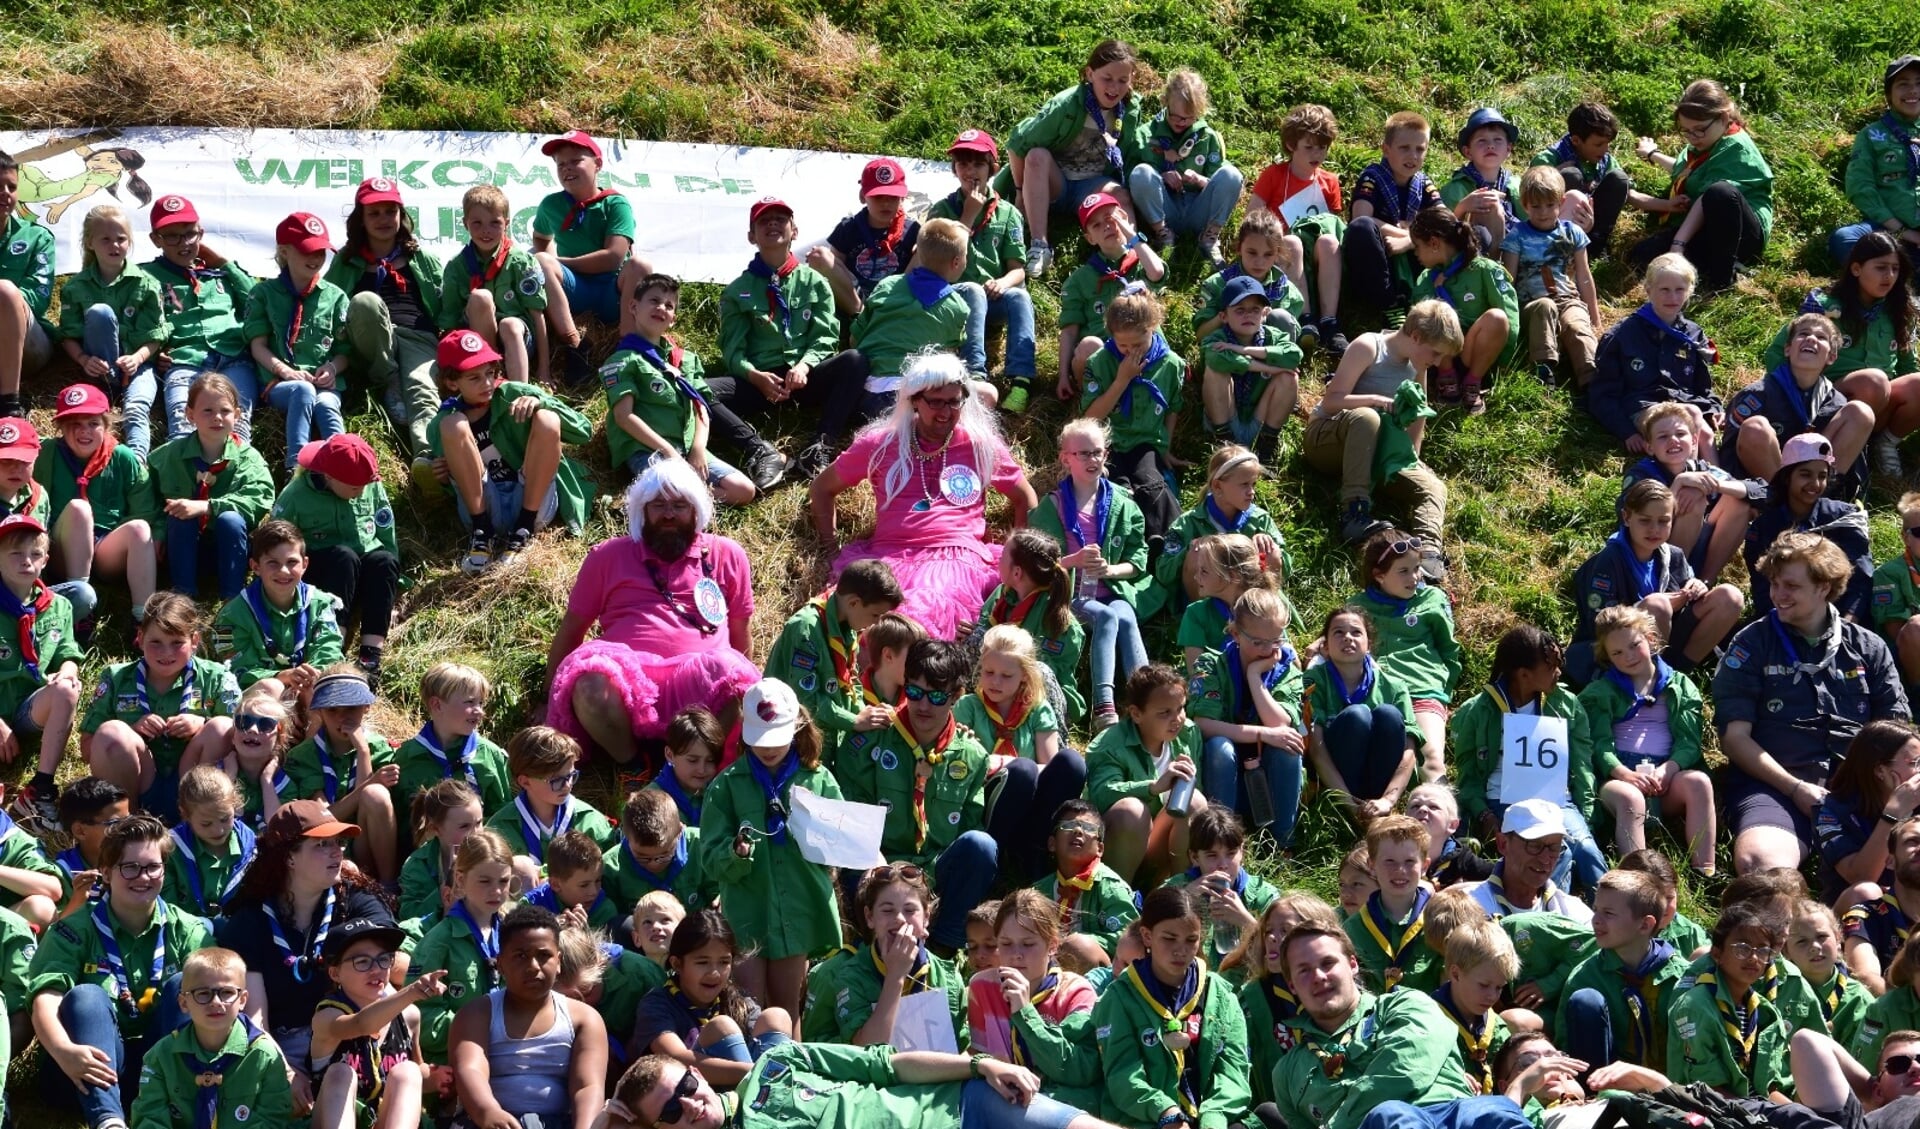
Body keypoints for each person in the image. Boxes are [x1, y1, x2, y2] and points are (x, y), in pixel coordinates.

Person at [1716, 531, 1909, 873]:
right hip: (1778, 786)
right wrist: (1795, 788)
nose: (1778, 595)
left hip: (1862, 788)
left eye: (1791, 586)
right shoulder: (1752, 644)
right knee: (1761, 863)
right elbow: (1734, 739)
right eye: (1775, 584)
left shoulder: (1868, 648)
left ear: (1823, 587)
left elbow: (1899, 734)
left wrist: (1888, 796)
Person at [808, 349, 1035, 640]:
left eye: (954, 402)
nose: (945, 412)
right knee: (858, 617)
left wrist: (1017, 555)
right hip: (889, 554)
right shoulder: (880, 443)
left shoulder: (980, 445)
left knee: (928, 608)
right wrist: (830, 549)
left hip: (956, 557)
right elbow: (822, 488)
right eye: (935, 402)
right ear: (914, 400)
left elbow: (1024, 498)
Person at [546, 458, 760, 762]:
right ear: (642, 511)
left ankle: (697, 769)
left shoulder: (728, 554)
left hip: (701, 690)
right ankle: (633, 766)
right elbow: (572, 627)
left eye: (679, 505)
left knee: (734, 677)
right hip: (627, 689)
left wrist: (741, 678)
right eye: (658, 505)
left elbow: (740, 629)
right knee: (589, 682)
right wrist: (548, 696)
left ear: (696, 510)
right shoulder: (607, 556)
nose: (669, 515)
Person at [29, 814, 212, 1127]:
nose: (143, 877)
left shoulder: (189, 929)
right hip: (85, 1068)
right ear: (106, 872)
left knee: (191, 985)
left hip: (162, 1065)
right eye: (130, 867)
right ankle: (108, 1120)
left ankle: (176, 1110)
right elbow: (45, 999)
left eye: (153, 866)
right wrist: (63, 1051)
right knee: (87, 996)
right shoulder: (74, 929)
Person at [218, 799, 396, 1113]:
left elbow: (390, 967)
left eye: (338, 843)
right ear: (289, 858)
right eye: (322, 845)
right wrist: (283, 1069)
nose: (337, 852)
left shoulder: (355, 901)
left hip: (353, 1034)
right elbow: (255, 1019)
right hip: (285, 1045)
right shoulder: (251, 921)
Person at [1270, 920, 1529, 1129]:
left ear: (1352, 964)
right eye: (1304, 970)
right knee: (1391, 1117)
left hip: (1454, 1115)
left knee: (1494, 1113)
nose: (1318, 977)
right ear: (1291, 985)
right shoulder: (1287, 1073)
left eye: (1328, 963)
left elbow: (1402, 1072)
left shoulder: (1407, 1004)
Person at [698, 679, 838, 1018]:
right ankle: (750, 1068)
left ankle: (792, 1067)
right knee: (749, 1007)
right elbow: (709, 857)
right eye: (760, 740)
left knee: (789, 1007)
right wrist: (735, 854)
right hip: (749, 910)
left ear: (796, 726)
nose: (768, 749)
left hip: (798, 908)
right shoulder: (727, 785)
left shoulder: (818, 780)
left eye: (776, 738)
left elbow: (840, 840)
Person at [602, 1043, 1130, 1129]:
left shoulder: (778, 1063)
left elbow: (887, 1065)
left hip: (958, 1106)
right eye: (670, 1112)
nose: (690, 1104)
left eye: (686, 1086)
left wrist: (979, 1065)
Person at [428, 327, 596, 570]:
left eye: (490, 373)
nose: (487, 383)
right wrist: (441, 475)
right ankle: (481, 534)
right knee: (453, 424)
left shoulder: (513, 393)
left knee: (548, 419)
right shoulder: (442, 422)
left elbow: (584, 431)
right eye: (474, 378)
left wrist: (541, 401)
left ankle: (523, 531)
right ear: (452, 383)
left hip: (530, 498)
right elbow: (450, 480)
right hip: (485, 504)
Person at [1303, 300, 1461, 557]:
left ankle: (1429, 553)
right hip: (1326, 441)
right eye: (1436, 353)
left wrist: (1412, 459)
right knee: (1368, 417)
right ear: (1417, 337)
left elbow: (1417, 415)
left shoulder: (1418, 366)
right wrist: (1376, 401)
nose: (1438, 361)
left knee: (1434, 487)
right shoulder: (1369, 346)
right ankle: (1355, 514)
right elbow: (1332, 401)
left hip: (1376, 454)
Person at [1089, 884, 1252, 1129]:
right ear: (1147, 936)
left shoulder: (1220, 994)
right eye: (1169, 938)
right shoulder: (1119, 997)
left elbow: (1233, 1072)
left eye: (1191, 940)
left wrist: (1213, 1120)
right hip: (1146, 1118)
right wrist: (1166, 1112)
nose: (1181, 950)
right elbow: (1123, 1076)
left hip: (1214, 1117)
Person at [79, 591, 241, 822]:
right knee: (111, 731)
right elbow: (88, 750)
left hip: (194, 784)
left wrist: (202, 725)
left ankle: (198, 825)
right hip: (139, 784)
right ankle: (128, 830)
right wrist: (132, 730)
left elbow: (244, 746)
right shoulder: (115, 678)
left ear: (194, 641)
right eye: (156, 642)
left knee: (223, 727)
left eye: (177, 643)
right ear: (141, 637)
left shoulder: (217, 678)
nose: (166, 653)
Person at [1579, 606, 1718, 876]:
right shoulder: (1601, 692)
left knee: (1699, 782)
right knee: (1630, 798)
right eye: (1617, 653)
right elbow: (1598, 744)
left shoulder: (1679, 685)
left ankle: (1705, 870)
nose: (1628, 657)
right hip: (1618, 778)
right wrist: (1623, 773)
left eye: (1635, 645)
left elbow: (1689, 742)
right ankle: (1637, 877)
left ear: (1651, 639)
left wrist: (1670, 768)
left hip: (1664, 775)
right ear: (1607, 657)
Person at [713, 197, 841, 483]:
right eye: (763, 220)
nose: (773, 223)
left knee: (856, 362)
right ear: (751, 236)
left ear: (794, 231)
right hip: (760, 383)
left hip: (805, 378)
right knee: (699, 392)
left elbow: (826, 335)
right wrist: (755, 376)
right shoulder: (737, 291)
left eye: (781, 219)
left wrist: (806, 366)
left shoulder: (815, 282)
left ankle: (820, 445)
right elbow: (732, 350)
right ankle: (759, 450)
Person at [601, 273, 758, 503]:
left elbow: (702, 408)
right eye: (653, 301)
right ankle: (673, 500)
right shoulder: (623, 360)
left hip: (688, 448)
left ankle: (683, 501)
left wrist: (697, 449)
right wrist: (669, 452)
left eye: (669, 305)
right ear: (633, 307)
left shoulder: (685, 360)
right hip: (649, 450)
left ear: (673, 319)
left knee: (743, 490)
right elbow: (624, 417)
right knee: (672, 487)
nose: (661, 308)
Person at [1032, 419, 1148, 732]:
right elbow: (1034, 562)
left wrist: (1110, 569)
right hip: (1069, 595)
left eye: (1097, 452)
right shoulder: (1051, 506)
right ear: (1065, 458)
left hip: (1109, 589)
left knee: (1124, 615)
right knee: (1107, 618)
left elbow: (1138, 560)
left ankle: (1147, 695)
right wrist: (1074, 560)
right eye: (1083, 454)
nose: (1092, 460)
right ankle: (1104, 706)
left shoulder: (1123, 504)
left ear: (1106, 454)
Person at [1569, 479, 1745, 685]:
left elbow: (1687, 590)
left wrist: (1696, 587)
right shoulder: (1610, 560)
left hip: (1665, 644)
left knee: (1730, 597)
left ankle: (1676, 676)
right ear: (1626, 517)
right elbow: (1598, 622)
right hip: (1618, 650)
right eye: (1645, 520)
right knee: (1657, 605)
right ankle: (1647, 682)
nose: (1654, 529)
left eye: (1663, 521)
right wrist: (1653, 606)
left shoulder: (1673, 555)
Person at [449, 904, 608, 1129]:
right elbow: (470, 1069)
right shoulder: (476, 1014)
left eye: (544, 956)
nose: (533, 966)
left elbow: (587, 1086)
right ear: (501, 963)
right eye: (520, 956)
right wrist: (488, 1112)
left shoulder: (584, 1018)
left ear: (559, 961)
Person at [1004, 39, 1148, 279]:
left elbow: (1130, 152)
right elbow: (1017, 143)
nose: (1115, 87)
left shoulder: (1129, 110)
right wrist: (1019, 191)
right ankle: (1039, 244)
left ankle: (1132, 253)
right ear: (1090, 74)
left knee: (1121, 194)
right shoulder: (1067, 104)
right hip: (1056, 183)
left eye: (1123, 80)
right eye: (1107, 78)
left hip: (1092, 187)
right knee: (1037, 156)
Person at [325, 177, 445, 457]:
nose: (383, 219)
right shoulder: (347, 260)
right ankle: (388, 378)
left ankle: (428, 460)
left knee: (422, 388)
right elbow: (326, 303)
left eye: (390, 211)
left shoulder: (421, 257)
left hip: (418, 338)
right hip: (371, 343)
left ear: (401, 215)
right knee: (366, 302)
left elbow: (446, 304)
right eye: (374, 213)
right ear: (361, 220)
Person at [1629, 79, 1775, 292]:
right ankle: (1707, 263)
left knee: (1720, 192)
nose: (1692, 137)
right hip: (1707, 225)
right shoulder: (1707, 141)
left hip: (1740, 232)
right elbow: (1690, 171)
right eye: (1686, 131)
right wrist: (1653, 154)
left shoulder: (1736, 149)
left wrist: (1677, 246)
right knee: (1642, 255)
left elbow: (1708, 196)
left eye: (1699, 130)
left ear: (1723, 117)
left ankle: (1722, 278)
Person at [35, 382, 158, 629]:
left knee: (140, 528)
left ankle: (143, 619)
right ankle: (80, 602)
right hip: (60, 548)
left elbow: (146, 508)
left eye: (93, 424)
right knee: (80, 509)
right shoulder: (46, 452)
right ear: (60, 427)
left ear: (106, 425)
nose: (84, 432)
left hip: (104, 546)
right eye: (75, 425)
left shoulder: (122, 457)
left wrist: (161, 535)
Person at [139, 194, 259, 446]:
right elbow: (136, 319)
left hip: (233, 357)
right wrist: (153, 350)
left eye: (190, 233)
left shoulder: (220, 274)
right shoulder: (146, 276)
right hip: (185, 359)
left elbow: (258, 301)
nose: (184, 243)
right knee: (183, 424)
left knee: (238, 426)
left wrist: (225, 264)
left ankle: (236, 482)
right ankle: (181, 482)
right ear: (155, 239)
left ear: (201, 233)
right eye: (172, 236)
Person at [128, 947, 294, 1129]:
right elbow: (148, 1117)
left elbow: (274, 1120)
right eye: (203, 993)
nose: (216, 1002)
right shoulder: (162, 1055)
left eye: (227, 993)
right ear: (184, 1003)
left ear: (243, 1000)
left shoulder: (264, 1056)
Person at [929, 129, 1037, 409]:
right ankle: (974, 373)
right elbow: (933, 266)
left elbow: (1018, 270)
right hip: (952, 297)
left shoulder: (1009, 213)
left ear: (993, 169)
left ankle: (1021, 381)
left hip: (993, 298)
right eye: (963, 164)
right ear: (955, 169)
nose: (970, 171)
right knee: (974, 290)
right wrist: (967, 215)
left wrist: (1003, 282)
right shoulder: (941, 211)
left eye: (978, 164)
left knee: (1020, 296)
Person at [1188, 588, 1304, 844]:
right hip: (1223, 777)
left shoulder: (1287, 671)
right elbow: (1203, 724)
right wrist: (1262, 733)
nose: (1267, 650)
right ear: (1235, 633)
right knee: (1219, 746)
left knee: (1287, 746)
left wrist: (1255, 678)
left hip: (1268, 776)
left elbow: (1281, 724)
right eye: (1257, 642)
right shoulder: (1211, 664)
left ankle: (1283, 842)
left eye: (1275, 641)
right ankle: (1222, 840)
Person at [440, 183, 576, 395]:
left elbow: (537, 314)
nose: (486, 230)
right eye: (477, 223)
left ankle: (518, 393)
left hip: (518, 340)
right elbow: (449, 323)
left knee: (510, 324)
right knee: (480, 298)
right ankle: (490, 375)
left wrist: (544, 371)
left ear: (507, 224)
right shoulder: (456, 267)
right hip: (477, 345)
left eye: (495, 223)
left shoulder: (522, 261)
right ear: (465, 224)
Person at [56, 204, 170, 456]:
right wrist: (84, 359)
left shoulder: (146, 283)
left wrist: (137, 358)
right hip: (99, 370)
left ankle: (137, 463)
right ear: (89, 243)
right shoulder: (75, 287)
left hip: (139, 367)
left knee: (137, 407)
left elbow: (156, 336)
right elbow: (67, 336)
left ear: (129, 242)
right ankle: (108, 388)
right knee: (99, 312)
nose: (114, 245)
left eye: (121, 239)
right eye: (105, 239)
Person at [635, 907, 792, 1085]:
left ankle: (767, 1097)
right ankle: (765, 1095)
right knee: (721, 1027)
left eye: (724, 962)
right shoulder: (657, 1004)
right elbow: (676, 1059)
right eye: (703, 962)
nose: (715, 973)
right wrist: (758, 1073)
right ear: (677, 964)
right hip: (690, 1099)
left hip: (748, 1087)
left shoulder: (736, 1000)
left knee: (777, 1016)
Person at [1351, 529, 1462, 781]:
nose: (1415, 577)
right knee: (1376, 766)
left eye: (1417, 568)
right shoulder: (1357, 606)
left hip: (1422, 690)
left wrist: (1443, 691)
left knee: (1431, 760)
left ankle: (1445, 815)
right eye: (1403, 571)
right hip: (1376, 693)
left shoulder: (1433, 599)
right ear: (1379, 576)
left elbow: (1449, 649)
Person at [1725, 312, 1875, 496]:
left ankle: (1821, 499)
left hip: (1816, 482)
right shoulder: (1757, 395)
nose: (1811, 338)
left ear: (1831, 357)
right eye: (1803, 334)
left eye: (1821, 337)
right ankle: (1784, 503)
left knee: (1861, 411)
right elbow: (1729, 453)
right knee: (1755, 427)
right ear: (1788, 349)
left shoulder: (1836, 402)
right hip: (1770, 486)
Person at [1086, 663, 1209, 886]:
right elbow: (1100, 795)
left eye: (1180, 708)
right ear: (1136, 714)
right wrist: (1153, 787)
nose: (1177, 719)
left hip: (1161, 849)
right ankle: (1115, 898)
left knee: (1195, 800)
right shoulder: (1108, 745)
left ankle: (1181, 893)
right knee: (1132, 810)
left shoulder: (1188, 732)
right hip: (1118, 845)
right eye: (1165, 713)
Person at [308, 917, 437, 1129]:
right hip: (331, 1120)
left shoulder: (409, 1015)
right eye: (362, 962)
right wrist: (411, 991)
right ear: (335, 973)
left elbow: (418, 1069)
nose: (376, 969)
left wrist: (439, 1076)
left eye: (383, 959)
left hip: (386, 1120)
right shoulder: (327, 1017)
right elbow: (362, 1024)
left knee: (409, 1071)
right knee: (341, 1073)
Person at [0, 512, 85, 828]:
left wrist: (66, 670)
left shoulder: (58, 606)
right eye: (15, 554)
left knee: (67, 688)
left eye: (35, 554)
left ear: (46, 560)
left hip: (26, 708)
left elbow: (69, 653)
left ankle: (40, 789)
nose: (26, 561)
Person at [244, 211, 350, 466]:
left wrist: (333, 368)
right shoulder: (263, 293)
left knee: (325, 405)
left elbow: (345, 350)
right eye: (306, 250)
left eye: (320, 251)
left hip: (324, 385)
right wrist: (284, 371)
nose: (315, 258)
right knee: (302, 391)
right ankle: (298, 468)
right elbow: (257, 346)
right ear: (284, 252)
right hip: (280, 384)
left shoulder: (335, 297)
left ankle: (345, 465)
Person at [1079, 288, 1184, 541]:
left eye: (1138, 344)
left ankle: (1169, 539)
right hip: (1109, 440)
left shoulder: (1170, 364)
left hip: (1145, 442)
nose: (1130, 351)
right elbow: (1090, 419)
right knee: (1118, 487)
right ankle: (1126, 540)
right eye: (1122, 345)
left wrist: (1165, 446)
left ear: (1153, 328)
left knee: (1149, 480)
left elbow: (1173, 407)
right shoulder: (1100, 362)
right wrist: (1121, 380)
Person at [1589, 254, 1723, 449]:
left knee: (1704, 431)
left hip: (1686, 405)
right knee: (1679, 425)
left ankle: (1714, 474)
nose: (1673, 297)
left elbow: (1702, 387)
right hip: (1643, 407)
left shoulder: (1693, 334)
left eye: (1680, 290)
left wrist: (1715, 409)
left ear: (1689, 291)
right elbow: (1602, 394)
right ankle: (1687, 476)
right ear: (1648, 290)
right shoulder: (1622, 335)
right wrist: (1626, 432)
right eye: (1665, 290)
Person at [1246, 104, 1351, 354]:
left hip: (1319, 259)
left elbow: (1333, 224)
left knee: (1329, 243)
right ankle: (1304, 319)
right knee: (1292, 242)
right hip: (1283, 255)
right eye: (1309, 147)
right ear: (1292, 145)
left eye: (1323, 147)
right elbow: (1252, 218)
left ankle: (1329, 322)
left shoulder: (1330, 182)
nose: (1317, 153)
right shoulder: (1273, 175)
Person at [1555, 869, 1685, 1069]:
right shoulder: (1586, 977)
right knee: (1586, 1000)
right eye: (1596, 909)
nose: (1595, 920)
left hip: (1671, 1085)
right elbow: (1565, 1043)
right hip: (1604, 1082)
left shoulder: (1681, 977)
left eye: (1608, 913)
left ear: (1645, 925)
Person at [280, 668, 402, 883]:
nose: (342, 718)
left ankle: (388, 886)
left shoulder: (378, 747)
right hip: (328, 845)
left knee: (376, 794)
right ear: (319, 712)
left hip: (371, 842)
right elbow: (325, 819)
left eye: (351, 709)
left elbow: (372, 805)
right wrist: (370, 782)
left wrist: (363, 751)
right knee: (372, 789)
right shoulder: (304, 756)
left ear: (366, 708)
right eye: (333, 710)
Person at [1303, 606, 1421, 825]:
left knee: (1388, 714)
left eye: (1356, 632)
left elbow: (1409, 750)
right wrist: (1348, 803)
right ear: (1326, 647)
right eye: (1338, 632)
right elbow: (1316, 748)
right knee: (1358, 715)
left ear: (1369, 646)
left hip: (1380, 789)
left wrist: (1388, 800)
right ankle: (1352, 812)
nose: (1347, 637)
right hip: (1338, 783)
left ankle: (1376, 811)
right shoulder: (1313, 680)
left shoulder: (1394, 687)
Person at [1665, 901, 1793, 1097]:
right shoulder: (1695, 1006)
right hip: (1712, 1109)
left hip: (1756, 1105)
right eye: (1742, 948)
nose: (1753, 958)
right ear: (1717, 954)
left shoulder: (1764, 1010)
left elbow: (1768, 1087)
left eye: (1762, 950)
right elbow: (1706, 1089)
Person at [408, 827, 513, 1063]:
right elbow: (422, 1018)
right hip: (456, 1058)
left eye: (504, 881)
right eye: (484, 881)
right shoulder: (439, 942)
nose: (496, 891)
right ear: (461, 880)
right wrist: (481, 1030)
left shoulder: (512, 932)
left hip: (507, 1050)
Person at [208, 520, 345, 701]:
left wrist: (311, 675)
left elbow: (330, 647)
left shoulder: (320, 603)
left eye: (292, 562)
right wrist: (282, 676)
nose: (283, 571)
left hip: (309, 689)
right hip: (260, 700)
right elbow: (234, 668)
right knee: (271, 687)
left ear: (304, 564)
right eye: (273, 563)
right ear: (255, 567)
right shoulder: (230, 615)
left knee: (333, 684)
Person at [1621, 400, 1756, 584]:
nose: (1673, 440)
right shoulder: (1641, 474)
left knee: (1739, 501)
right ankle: (1675, 583)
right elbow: (1631, 518)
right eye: (1662, 436)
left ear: (1693, 441)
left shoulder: (1701, 468)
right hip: (1654, 560)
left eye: (1680, 434)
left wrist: (1715, 485)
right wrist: (1678, 484)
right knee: (1692, 501)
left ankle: (1705, 582)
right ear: (1649, 447)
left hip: (1699, 554)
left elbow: (1761, 491)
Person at [1744, 435, 1874, 623]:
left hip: (1840, 620)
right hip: (1784, 620)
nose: (1815, 483)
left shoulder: (1845, 517)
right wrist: (1782, 626)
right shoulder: (1765, 526)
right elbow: (1763, 586)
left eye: (1822, 476)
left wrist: (1846, 624)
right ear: (1787, 477)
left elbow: (1861, 578)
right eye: (1805, 474)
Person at [1149, 444, 1285, 622]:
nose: (1251, 492)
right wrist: (1188, 552)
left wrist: (1260, 548)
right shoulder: (1189, 523)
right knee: (1197, 553)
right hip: (1203, 600)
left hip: (1250, 603)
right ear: (1218, 486)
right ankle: (1201, 620)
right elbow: (1163, 572)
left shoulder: (1259, 520)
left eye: (1253, 484)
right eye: (1244, 484)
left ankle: (1262, 616)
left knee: (1271, 551)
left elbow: (1283, 567)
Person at [532, 129, 643, 346]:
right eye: (560, 164)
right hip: (575, 290)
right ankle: (572, 343)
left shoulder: (615, 203)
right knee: (541, 260)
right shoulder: (551, 204)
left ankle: (627, 343)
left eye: (576, 161)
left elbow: (613, 258)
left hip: (613, 291)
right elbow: (541, 237)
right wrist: (552, 260)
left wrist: (562, 262)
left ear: (598, 164)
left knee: (640, 265)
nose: (567, 168)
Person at [1408, 206, 1519, 415]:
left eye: (1417, 246)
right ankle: (1446, 376)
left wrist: (1501, 363)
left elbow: (1509, 316)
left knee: (1497, 317)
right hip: (1440, 355)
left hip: (1476, 354)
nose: (1416, 253)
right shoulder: (1426, 278)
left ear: (1434, 243)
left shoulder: (1485, 269)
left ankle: (1472, 383)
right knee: (1432, 312)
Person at [1342, 111, 1447, 326]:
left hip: (1414, 254)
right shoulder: (1373, 177)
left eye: (1420, 149)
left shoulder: (1423, 183)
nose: (1413, 156)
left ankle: (1435, 295)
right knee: (1361, 229)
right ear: (1386, 150)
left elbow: (1447, 222)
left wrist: (1409, 241)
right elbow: (1361, 217)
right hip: (1381, 261)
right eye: (1404, 148)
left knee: (1471, 234)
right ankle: (1389, 304)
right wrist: (1410, 235)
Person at [1128, 69, 1242, 263]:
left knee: (1232, 175)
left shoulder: (1208, 137)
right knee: (1141, 173)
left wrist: (1199, 180)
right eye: (1175, 116)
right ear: (1165, 103)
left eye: (1188, 118)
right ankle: (1162, 234)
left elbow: (1219, 184)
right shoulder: (1147, 133)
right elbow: (1132, 177)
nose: (1181, 122)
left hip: (1198, 210)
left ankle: (1210, 238)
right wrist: (1162, 176)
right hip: (1166, 209)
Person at [1504, 166, 1602, 391]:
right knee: (1545, 306)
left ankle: (1592, 378)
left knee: (1577, 324)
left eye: (1550, 205)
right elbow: (1509, 279)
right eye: (1535, 206)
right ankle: (1544, 367)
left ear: (1562, 201)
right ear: (1525, 204)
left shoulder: (1573, 233)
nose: (1543, 212)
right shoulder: (1516, 236)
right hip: (1531, 303)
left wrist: (1595, 319)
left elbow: (1584, 276)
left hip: (1568, 299)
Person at [1197, 263, 1304, 464]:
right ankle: (1224, 443)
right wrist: (1268, 367)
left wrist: (1243, 350)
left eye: (1255, 309)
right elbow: (1215, 358)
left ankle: (1266, 444)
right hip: (1226, 416)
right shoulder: (1217, 338)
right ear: (1223, 316)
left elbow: (1293, 356)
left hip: (1259, 417)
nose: (1248, 315)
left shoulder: (1274, 336)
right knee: (1215, 371)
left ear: (1264, 314)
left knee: (1289, 377)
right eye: (1239, 310)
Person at [1531, 102, 1668, 251]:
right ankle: (1560, 246)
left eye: (1608, 143)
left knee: (1619, 179)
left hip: (1590, 227)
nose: (1605, 149)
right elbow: (1528, 196)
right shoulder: (1548, 159)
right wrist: (1554, 174)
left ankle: (1595, 244)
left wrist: (1669, 205)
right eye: (1599, 144)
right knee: (1570, 175)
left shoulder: (1605, 160)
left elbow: (1630, 194)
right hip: (1550, 234)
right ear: (1576, 140)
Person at [1833, 55, 1920, 269]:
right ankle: (1898, 292)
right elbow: (1859, 186)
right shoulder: (1871, 135)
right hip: (1889, 231)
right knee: (1844, 239)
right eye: (1903, 84)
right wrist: (1902, 231)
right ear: (1889, 95)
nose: (1913, 91)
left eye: (1919, 83)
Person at [394, 661, 510, 814]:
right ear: (437, 705)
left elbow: (501, 815)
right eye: (470, 702)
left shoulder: (490, 755)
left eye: (481, 703)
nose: (480, 711)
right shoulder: (407, 757)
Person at [1036, 798, 1140, 967]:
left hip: (1101, 975)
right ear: (1052, 844)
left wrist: (1073, 942)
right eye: (1068, 825)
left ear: (1100, 848)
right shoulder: (1039, 890)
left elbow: (1130, 937)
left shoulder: (1111, 888)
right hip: (1045, 970)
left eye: (1089, 828)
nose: (1078, 830)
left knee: (1078, 946)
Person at [1343, 814, 1440, 992]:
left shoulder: (1440, 920)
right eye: (1389, 861)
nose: (1400, 871)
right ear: (1372, 865)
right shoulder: (1353, 930)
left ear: (1425, 866)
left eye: (1409, 861)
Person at [1459, 800, 1595, 924]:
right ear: (1503, 844)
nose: (1545, 859)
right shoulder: (1468, 907)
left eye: (1554, 848)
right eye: (1534, 846)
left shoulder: (1575, 914)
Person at [0, 151, 56, 419]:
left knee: (6, 291)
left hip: (30, 345)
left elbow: (38, 297)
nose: (6, 193)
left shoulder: (37, 237)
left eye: (11, 187)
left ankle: (9, 403)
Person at [161, 766, 255, 919]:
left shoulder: (251, 847)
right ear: (185, 814)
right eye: (206, 824)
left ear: (235, 805)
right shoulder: (171, 849)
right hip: (186, 936)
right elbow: (166, 910)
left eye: (225, 819)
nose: (218, 830)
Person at [1787, 899, 1872, 1050]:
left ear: (1839, 938)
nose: (1814, 947)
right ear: (1786, 951)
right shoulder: (1779, 993)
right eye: (1801, 942)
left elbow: (1862, 1058)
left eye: (1821, 937)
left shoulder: (1859, 1000)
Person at [398, 778, 480, 925]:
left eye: (479, 823)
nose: (476, 834)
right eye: (464, 827)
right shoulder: (417, 865)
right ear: (435, 829)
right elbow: (408, 915)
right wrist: (447, 887)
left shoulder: (492, 849)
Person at [1442, 107, 1521, 254]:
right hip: (1474, 257)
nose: (1490, 145)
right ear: (1468, 152)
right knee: (1489, 205)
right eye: (1481, 141)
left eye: (1497, 140)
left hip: (1517, 255)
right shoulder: (1456, 188)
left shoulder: (1516, 185)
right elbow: (1442, 231)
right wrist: (1462, 208)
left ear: (1508, 149)